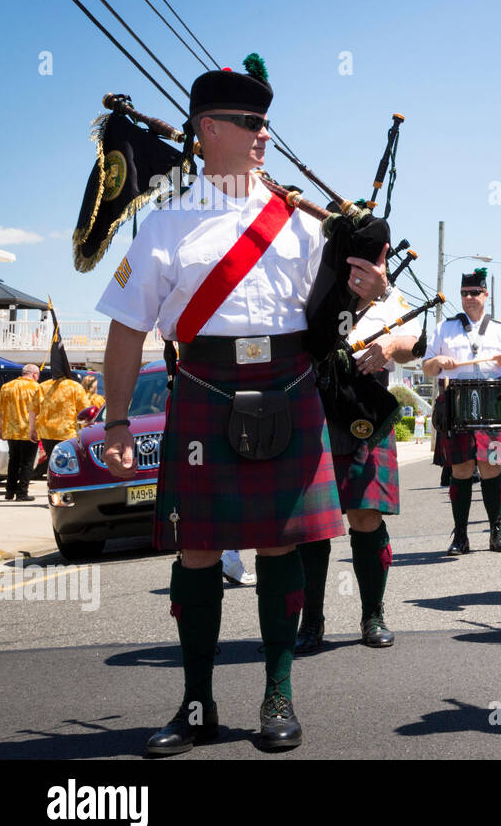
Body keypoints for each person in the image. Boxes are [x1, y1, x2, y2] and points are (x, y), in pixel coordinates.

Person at [96, 59, 388, 754]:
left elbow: (338, 316)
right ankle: (196, 706)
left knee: (279, 543)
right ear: (208, 130)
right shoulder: (166, 226)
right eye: (251, 124)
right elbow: (124, 328)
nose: (264, 136)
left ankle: (277, 694)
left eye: (266, 124)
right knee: (197, 549)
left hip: (289, 386)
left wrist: (368, 289)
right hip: (204, 389)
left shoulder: (301, 224)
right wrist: (112, 420)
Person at [296, 283, 421, 653]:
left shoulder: (389, 293)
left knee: (366, 516)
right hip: (312, 404)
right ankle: (311, 621)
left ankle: (372, 615)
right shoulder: (312, 279)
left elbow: (416, 343)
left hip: (365, 408)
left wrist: (390, 347)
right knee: (313, 522)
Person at [422, 269, 501, 556]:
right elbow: (427, 367)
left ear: (485, 295)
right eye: (465, 293)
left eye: (474, 293)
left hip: (492, 405)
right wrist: (438, 361)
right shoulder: (446, 328)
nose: (469, 298)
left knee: (492, 467)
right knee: (462, 469)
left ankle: (496, 531)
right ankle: (461, 536)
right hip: (457, 405)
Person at [29, 369, 90, 467]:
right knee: (69, 463)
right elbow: (86, 411)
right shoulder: (75, 387)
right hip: (67, 433)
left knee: (51, 463)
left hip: (46, 433)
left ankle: (53, 481)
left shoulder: (42, 386)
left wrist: (32, 429)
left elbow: (33, 410)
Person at [0, 364, 40, 501]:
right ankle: (22, 493)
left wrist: (1, 428)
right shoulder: (36, 388)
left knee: (13, 461)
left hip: (11, 430)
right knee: (27, 463)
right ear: (34, 375)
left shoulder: (7, 387)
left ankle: (9, 492)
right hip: (29, 430)